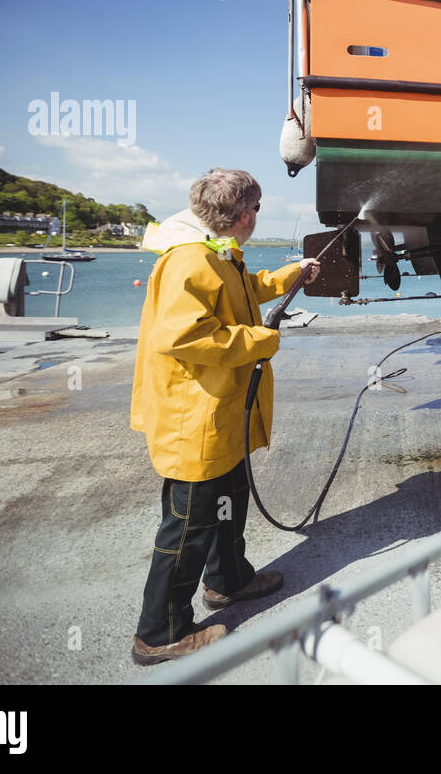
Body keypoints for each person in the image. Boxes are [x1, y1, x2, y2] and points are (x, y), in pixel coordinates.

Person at [129, 168, 319, 665]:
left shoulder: (216, 249)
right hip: (194, 418)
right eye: (255, 207)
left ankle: (228, 581)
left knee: (229, 500)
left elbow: (242, 291)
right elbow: (184, 336)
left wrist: (289, 274)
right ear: (241, 215)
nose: (258, 215)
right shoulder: (188, 260)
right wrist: (262, 341)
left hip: (221, 411)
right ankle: (160, 633)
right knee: (188, 525)